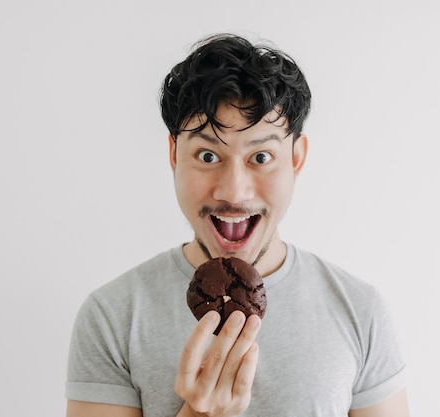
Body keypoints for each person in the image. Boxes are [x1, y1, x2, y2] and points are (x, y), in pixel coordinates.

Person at [65, 33, 409, 417]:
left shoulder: (361, 311)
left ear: (296, 158)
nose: (233, 190)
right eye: (208, 154)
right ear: (174, 155)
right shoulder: (113, 316)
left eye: (261, 156)